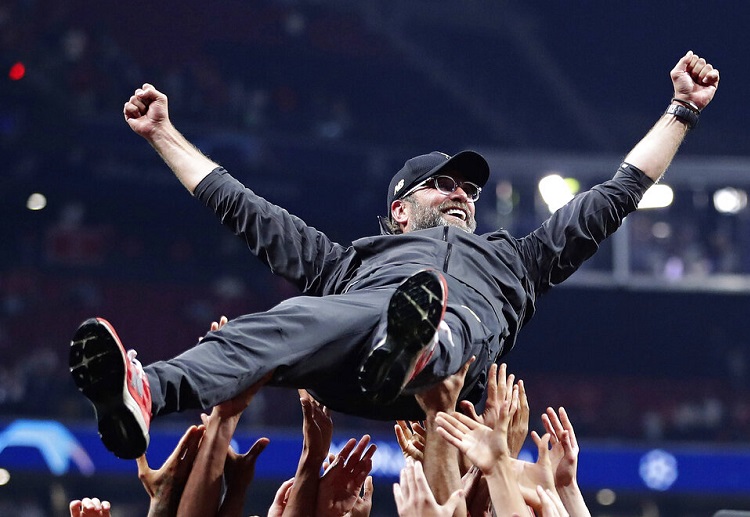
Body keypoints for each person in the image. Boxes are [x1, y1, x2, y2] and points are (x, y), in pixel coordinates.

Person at [69, 51, 719, 460]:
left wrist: (682, 111)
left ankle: (413, 347)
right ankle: (145, 393)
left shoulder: (512, 260)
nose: (462, 193)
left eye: (469, 189)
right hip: (362, 339)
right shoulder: (349, 262)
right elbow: (247, 211)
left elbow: (613, 197)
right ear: (401, 210)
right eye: (444, 183)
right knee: (281, 321)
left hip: (446, 362)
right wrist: (163, 134)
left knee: (451, 317)